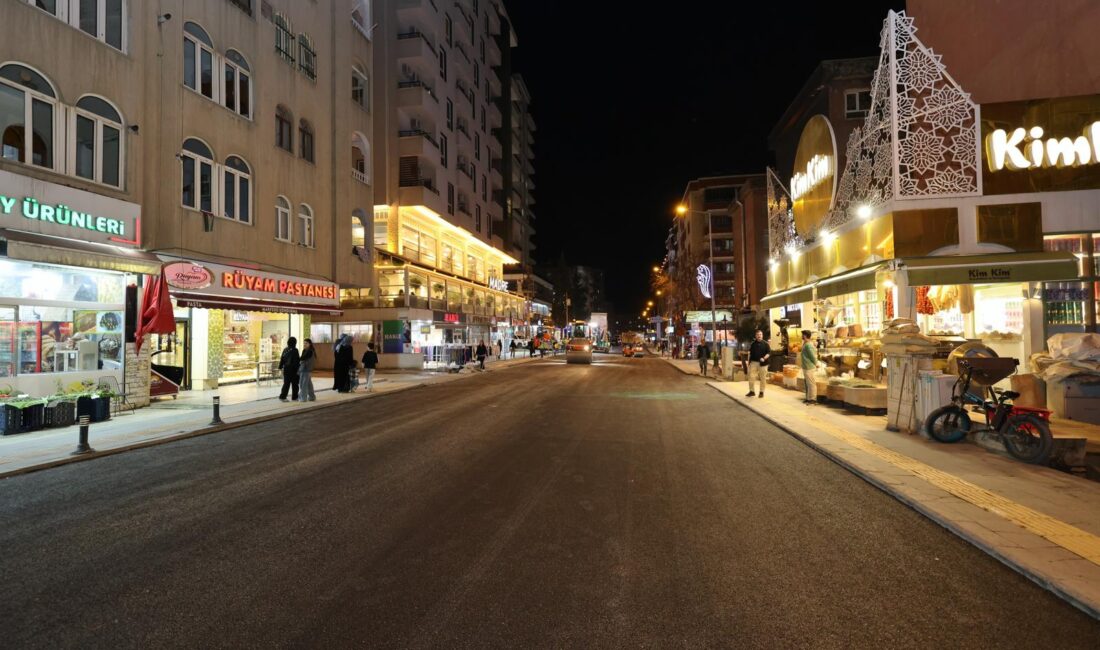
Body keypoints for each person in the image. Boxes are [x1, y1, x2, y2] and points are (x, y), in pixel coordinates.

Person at [745, 330, 770, 398]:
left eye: (760, 334)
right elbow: (750, 353)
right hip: (753, 363)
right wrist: (748, 362)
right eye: (758, 334)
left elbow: (768, 353)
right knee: (751, 377)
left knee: (763, 378)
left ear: (762, 335)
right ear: (756, 336)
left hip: (763, 364)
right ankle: (752, 391)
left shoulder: (766, 344)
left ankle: (761, 392)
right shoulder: (753, 344)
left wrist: (764, 358)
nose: (759, 336)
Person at [277, 336, 300, 402]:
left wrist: (280, 367)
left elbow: (282, 358)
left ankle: (283, 396)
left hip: (286, 369)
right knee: (295, 384)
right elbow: (296, 361)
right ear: (295, 342)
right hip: (293, 370)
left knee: (286, 383)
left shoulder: (285, 349)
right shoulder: (295, 350)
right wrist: (298, 370)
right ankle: (295, 397)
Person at [800, 329, 818, 405]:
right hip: (805, 366)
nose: (801, 336)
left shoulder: (808, 345)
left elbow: (812, 356)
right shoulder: (805, 343)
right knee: (807, 383)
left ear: (805, 335)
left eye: (802, 335)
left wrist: (816, 363)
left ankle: (813, 399)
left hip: (809, 367)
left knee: (811, 383)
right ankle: (808, 398)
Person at [298, 338, 316, 402]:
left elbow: (303, 358)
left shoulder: (310, 351)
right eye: (304, 343)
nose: (304, 344)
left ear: (310, 344)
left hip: (306, 369)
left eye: (306, 343)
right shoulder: (305, 350)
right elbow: (302, 358)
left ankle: (303, 398)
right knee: (308, 384)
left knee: (303, 384)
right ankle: (312, 397)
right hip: (305, 368)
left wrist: (298, 358)